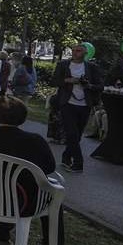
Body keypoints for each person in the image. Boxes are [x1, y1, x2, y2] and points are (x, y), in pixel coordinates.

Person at [0, 96, 66, 245]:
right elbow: (49, 168)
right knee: (52, 197)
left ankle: (1, 235)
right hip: (23, 203)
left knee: (2, 184)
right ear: (23, 117)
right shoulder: (34, 141)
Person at [51, 43, 103, 173]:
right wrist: (68, 81)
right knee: (72, 133)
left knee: (77, 135)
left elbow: (100, 86)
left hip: (85, 105)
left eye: (78, 51)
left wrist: (88, 85)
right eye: (73, 50)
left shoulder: (91, 68)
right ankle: (78, 163)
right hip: (67, 103)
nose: (75, 52)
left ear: (85, 53)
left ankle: (66, 156)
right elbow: (54, 81)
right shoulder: (63, 65)